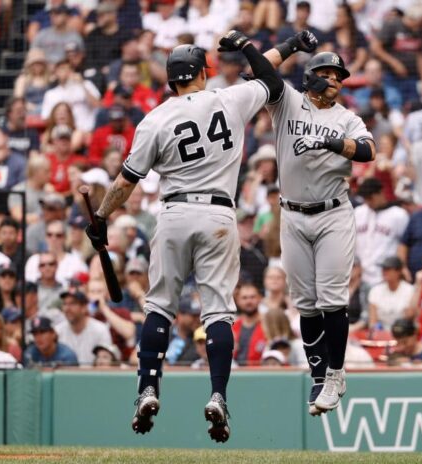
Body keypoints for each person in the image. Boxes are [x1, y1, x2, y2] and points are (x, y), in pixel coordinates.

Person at [84, 33, 292, 441]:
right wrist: (289, 47)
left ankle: (148, 386)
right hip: (218, 212)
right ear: (202, 73)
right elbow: (267, 76)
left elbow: (127, 182)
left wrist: (102, 217)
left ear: (170, 80)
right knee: (217, 309)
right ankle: (217, 394)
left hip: (175, 212)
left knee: (160, 305)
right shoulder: (228, 99)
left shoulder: (155, 118)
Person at [261, 39, 376, 414]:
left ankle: (336, 374)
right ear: (310, 76)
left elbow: (367, 151)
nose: (333, 81)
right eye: (325, 74)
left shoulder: (347, 118)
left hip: (332, 213)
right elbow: (259, 71)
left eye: (338, 76)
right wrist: (290, 45)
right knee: (305, 305)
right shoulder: (288, 101)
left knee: (331, 300)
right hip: (291, 214)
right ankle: (317, 376)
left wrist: (331, 141)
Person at [354, 177, 409, 287]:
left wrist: (401, 268)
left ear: (381, 193)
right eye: (365, 198)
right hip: (363, 277)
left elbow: (404, 245)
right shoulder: (358, 212)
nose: (368, 202)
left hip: (386, 277)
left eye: (370, 197)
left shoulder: (399, 214)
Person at [54, 289, 112, 366]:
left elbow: (106, 364)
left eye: (73, 303)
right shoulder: (57, 331)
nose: (67, 308)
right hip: (66, 376)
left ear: (84, 307)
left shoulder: (100, 329)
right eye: (65, 304)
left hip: (93, 375)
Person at [367, 257, 414, 330]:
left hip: (402, 332)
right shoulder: (375, 290)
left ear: (398, 271)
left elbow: (410, 317)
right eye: (383, 269)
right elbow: (373, 321)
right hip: (381, 333)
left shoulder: (410, 290)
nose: (384, 272)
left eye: (388, 269)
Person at [232, 282, 266, 366]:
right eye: (244, 298)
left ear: (260, 298)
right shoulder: (232, 326)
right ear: (238, 301)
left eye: (252, 297)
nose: (249, 301)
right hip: (235, 373)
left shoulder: (269, 324)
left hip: (261, 372)